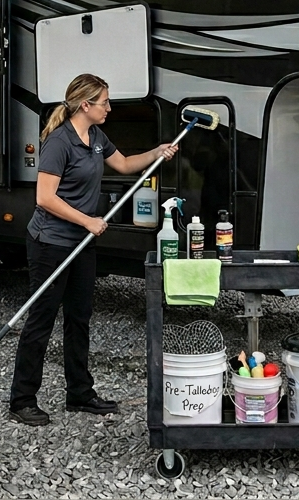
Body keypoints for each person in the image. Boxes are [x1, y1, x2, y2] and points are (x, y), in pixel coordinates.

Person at [9, 73, 177, 426]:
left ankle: (80, 393)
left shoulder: (96, 137)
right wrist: (87, 220)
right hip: (50, 242)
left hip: (81, 244)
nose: (109, 108)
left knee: (80, 317)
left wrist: (157, 152)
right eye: (104, 102)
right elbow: (44, 198)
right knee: (41, 319)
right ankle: (22, 399)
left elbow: (125, 164)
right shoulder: (59, 142)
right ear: (85, 105)